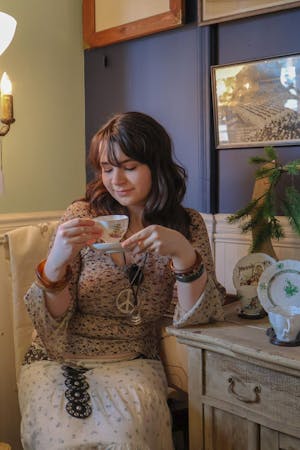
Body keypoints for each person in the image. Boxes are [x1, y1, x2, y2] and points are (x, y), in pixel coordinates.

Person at [19, 111, 226, 450]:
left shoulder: (187, 225)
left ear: (156, 165)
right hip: (58, 359)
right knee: (59, 439)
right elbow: (49, 321)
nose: (116, 179)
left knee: (126, 438)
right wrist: (57, 261)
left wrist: (184, 256)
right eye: (106, 168)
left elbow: (198, 319)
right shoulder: (83, 216)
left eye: (128, 167)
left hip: (132, 361)